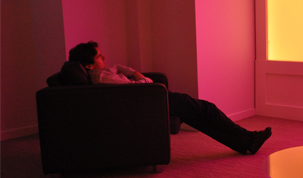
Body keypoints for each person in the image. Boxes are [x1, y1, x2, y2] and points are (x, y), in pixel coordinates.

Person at [68, 41, 272, 154]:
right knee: (207, 109)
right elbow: (134, 88)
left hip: (151, 100)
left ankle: (245, 141)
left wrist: (135, 73)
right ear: (89, 65)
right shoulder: (103, 78)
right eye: (99, 56)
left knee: (200, 117)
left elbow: (118, 67)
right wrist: (145, 80)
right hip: (150, 102)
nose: (104, 58)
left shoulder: (102, 72)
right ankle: (247, 137)